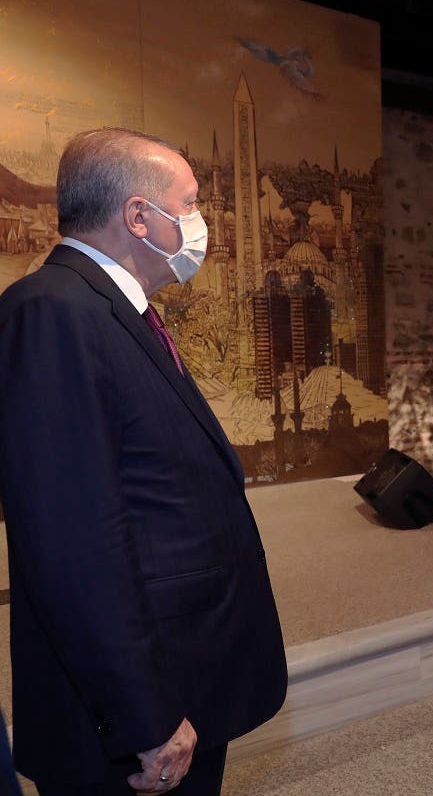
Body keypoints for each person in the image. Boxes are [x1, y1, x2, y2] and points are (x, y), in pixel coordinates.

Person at [0, 128, 288, 794]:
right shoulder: (52, 314)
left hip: (181, 668)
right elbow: (73, 545)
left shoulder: (118, 312)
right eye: (188, 205)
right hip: (131, 720)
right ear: (138, 216)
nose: (199, 224)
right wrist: (145, 714)